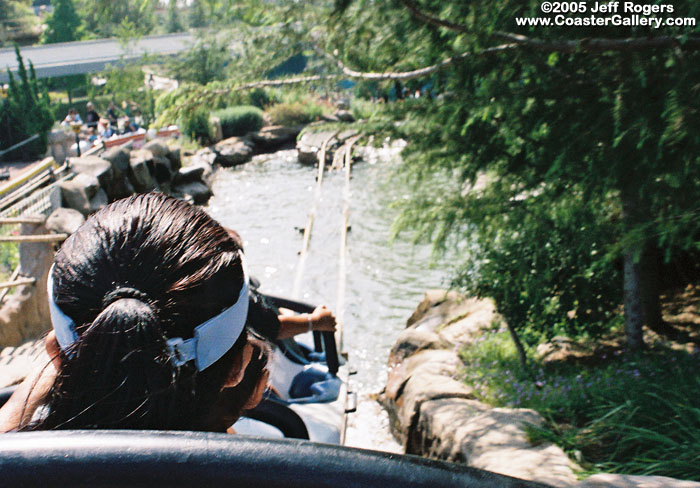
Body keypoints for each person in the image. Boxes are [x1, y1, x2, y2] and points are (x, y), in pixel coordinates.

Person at [0, 193, 269, 433]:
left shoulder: (18, 468)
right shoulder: (278, 474)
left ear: (55, 353)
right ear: (237, 367)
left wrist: (25, 397)